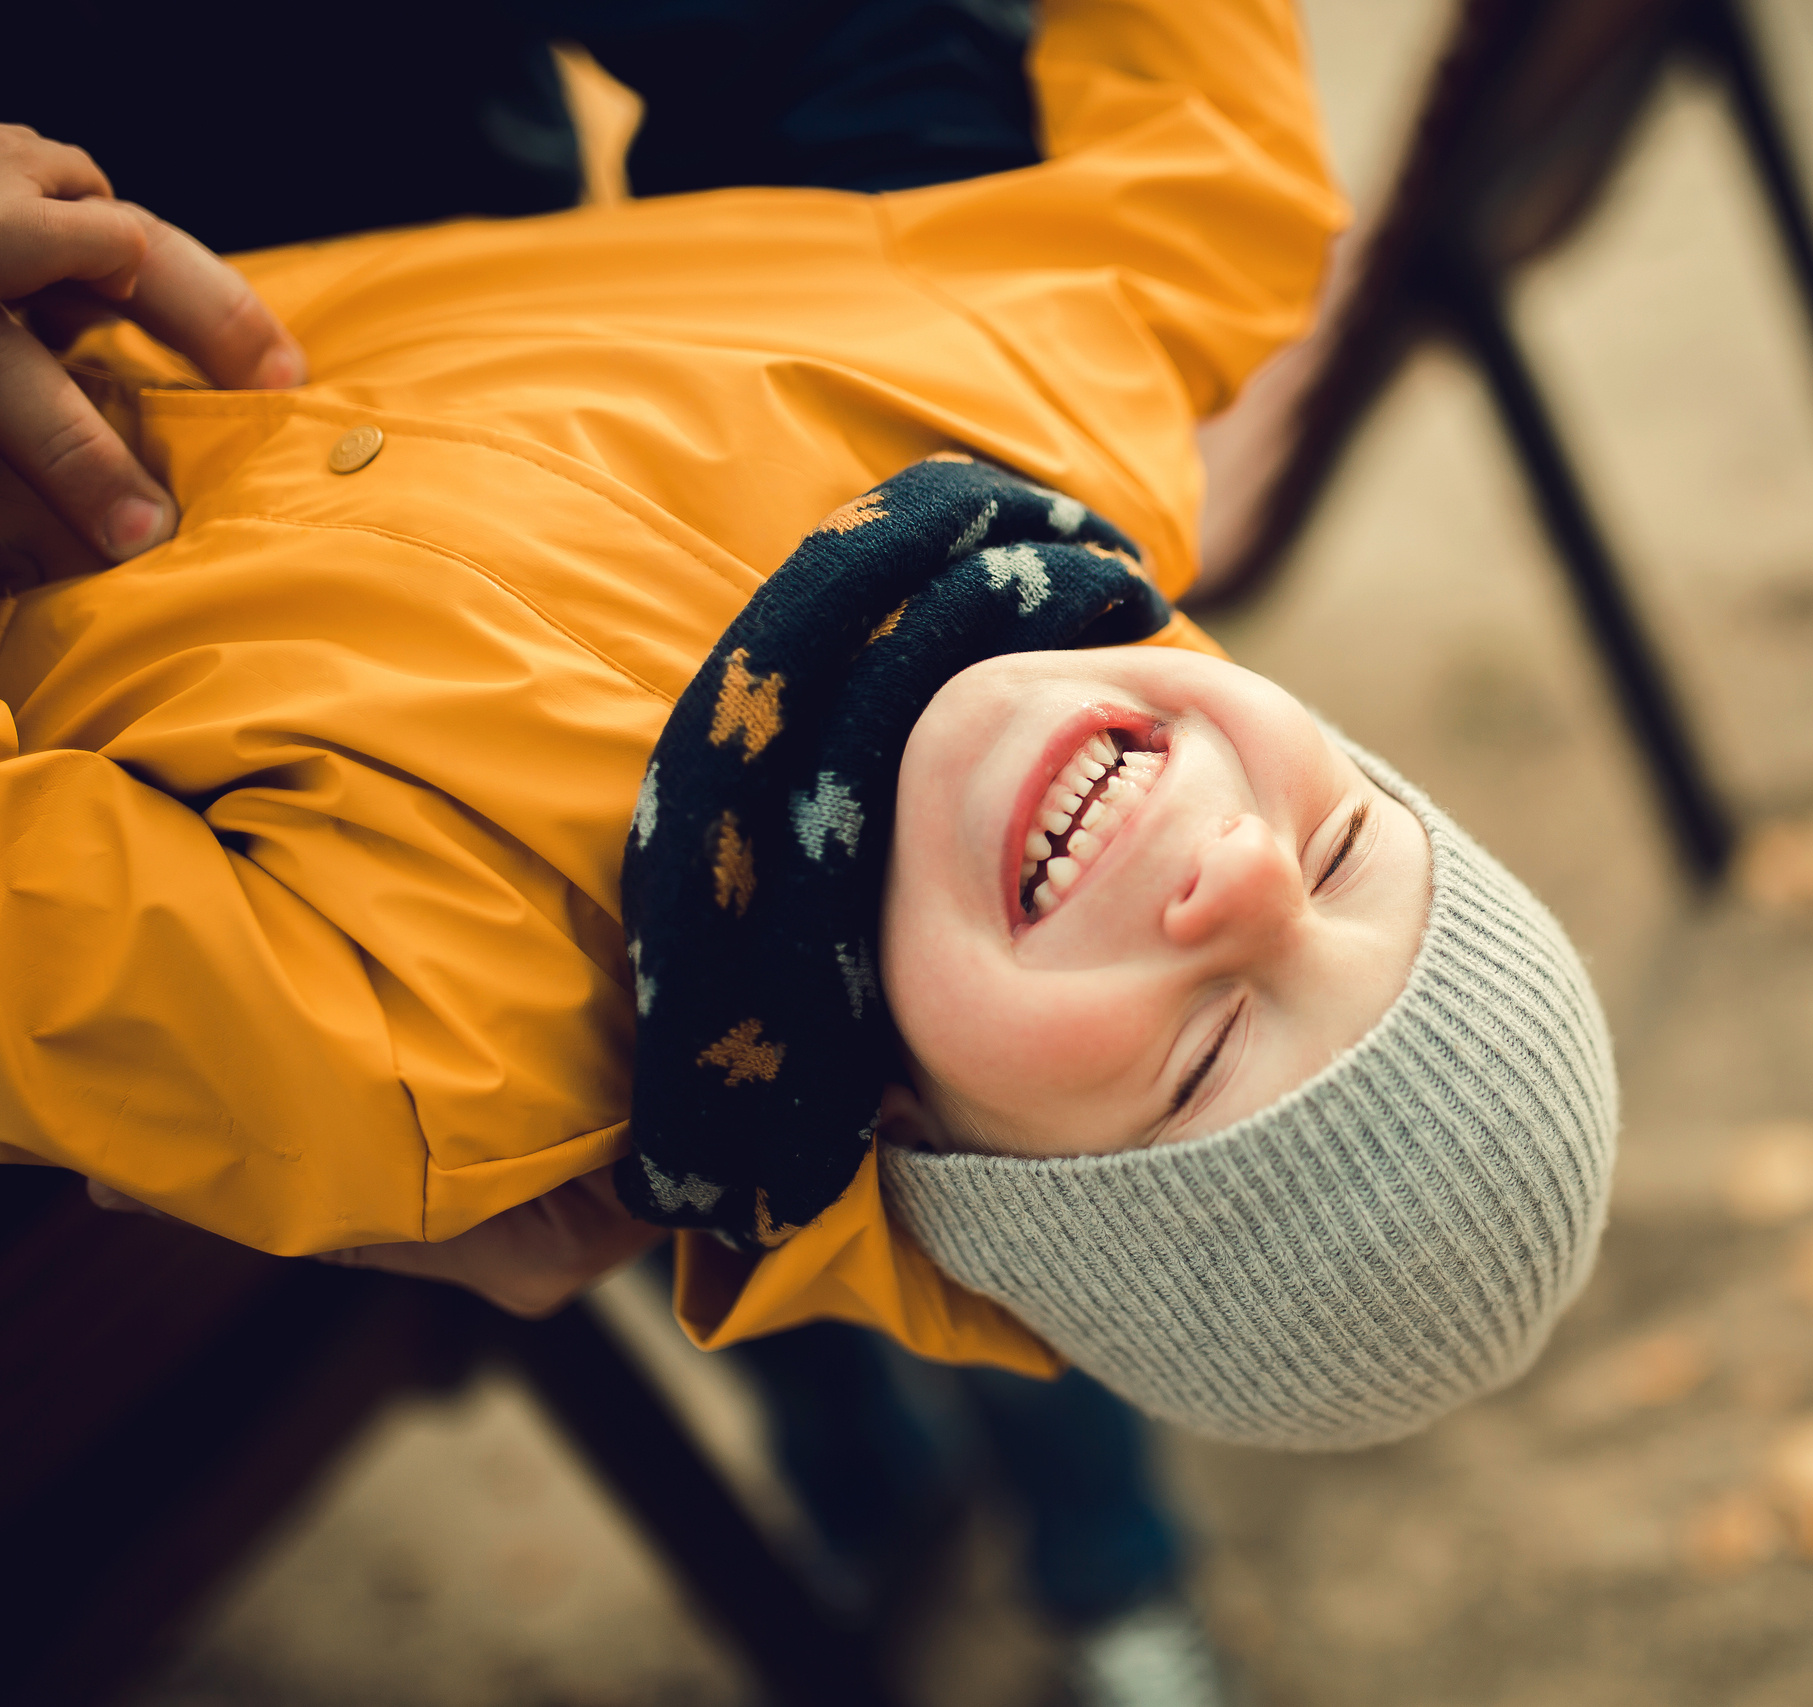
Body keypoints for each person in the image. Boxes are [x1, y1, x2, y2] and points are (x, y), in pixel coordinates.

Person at [0, 0, 1615, 1473]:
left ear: (934, 1155)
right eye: (1345, 848)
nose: (1255, 883)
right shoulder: (1088, 320)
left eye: (1203, 1063)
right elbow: (1208, 143)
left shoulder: (399, 1049)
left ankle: (988, 1518)